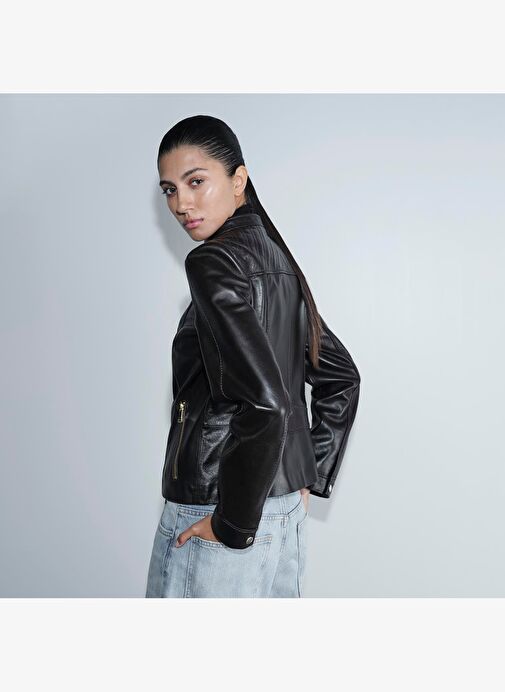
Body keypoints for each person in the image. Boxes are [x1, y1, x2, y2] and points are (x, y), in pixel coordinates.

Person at [145, 114, 361, 598]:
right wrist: (304, 474)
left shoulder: (212, 261)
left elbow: (268, 403)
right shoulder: (278, 260)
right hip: (281, 515)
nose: (181, 204)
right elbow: (342, 378)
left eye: (195, 182)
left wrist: (233, 524)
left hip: (220, 507)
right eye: (169, 190)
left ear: (238, 179)